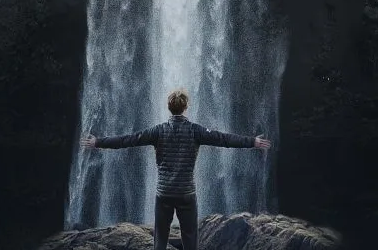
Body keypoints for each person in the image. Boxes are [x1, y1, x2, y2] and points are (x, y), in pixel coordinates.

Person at [80, 87, 271, 250]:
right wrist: (252, 142)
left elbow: (128, 140)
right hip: (186, 194)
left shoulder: (158, 131)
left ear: (169, 107)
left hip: (164, 193)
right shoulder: (196, 130)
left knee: (160, 240)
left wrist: (98, 142)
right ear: (186, 107)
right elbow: (223, 139)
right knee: (190, 239)